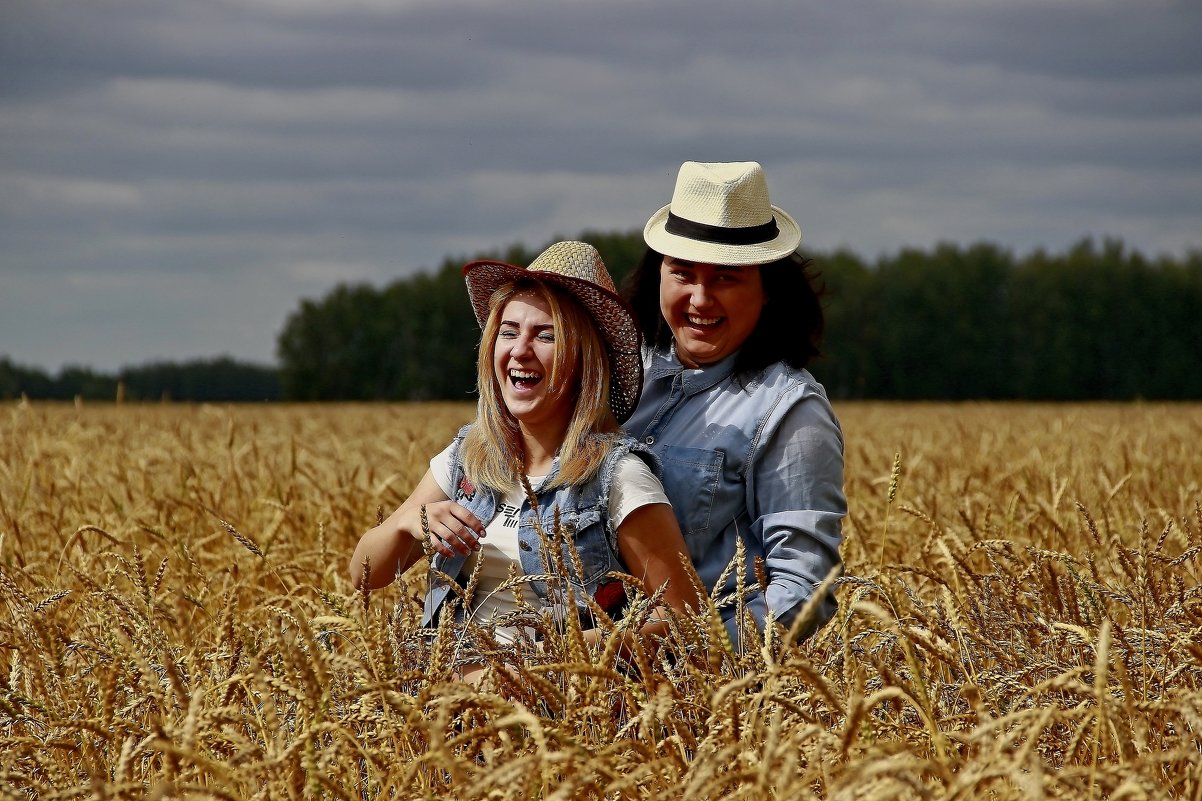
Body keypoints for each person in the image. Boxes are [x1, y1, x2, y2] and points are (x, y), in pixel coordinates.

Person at [349, 241, 698, 665]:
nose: (519, 350)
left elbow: (685, 622)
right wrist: (407, 524)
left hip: (563, 711)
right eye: (509, 331)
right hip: (445, 698)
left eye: (546, 335)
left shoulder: (618, 478)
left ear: (584, 359)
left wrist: (544, 659)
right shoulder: (469, 459)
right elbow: (364, 575)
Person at [621, 161, 846, 646]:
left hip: (696, 699)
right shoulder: (611, 376)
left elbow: (804, 591)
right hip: (573, 676)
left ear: (767, 291)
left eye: (726, 279)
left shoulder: (790, 411)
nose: (700, 299)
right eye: (682, 274)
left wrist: (691, 654)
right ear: (658, 275)